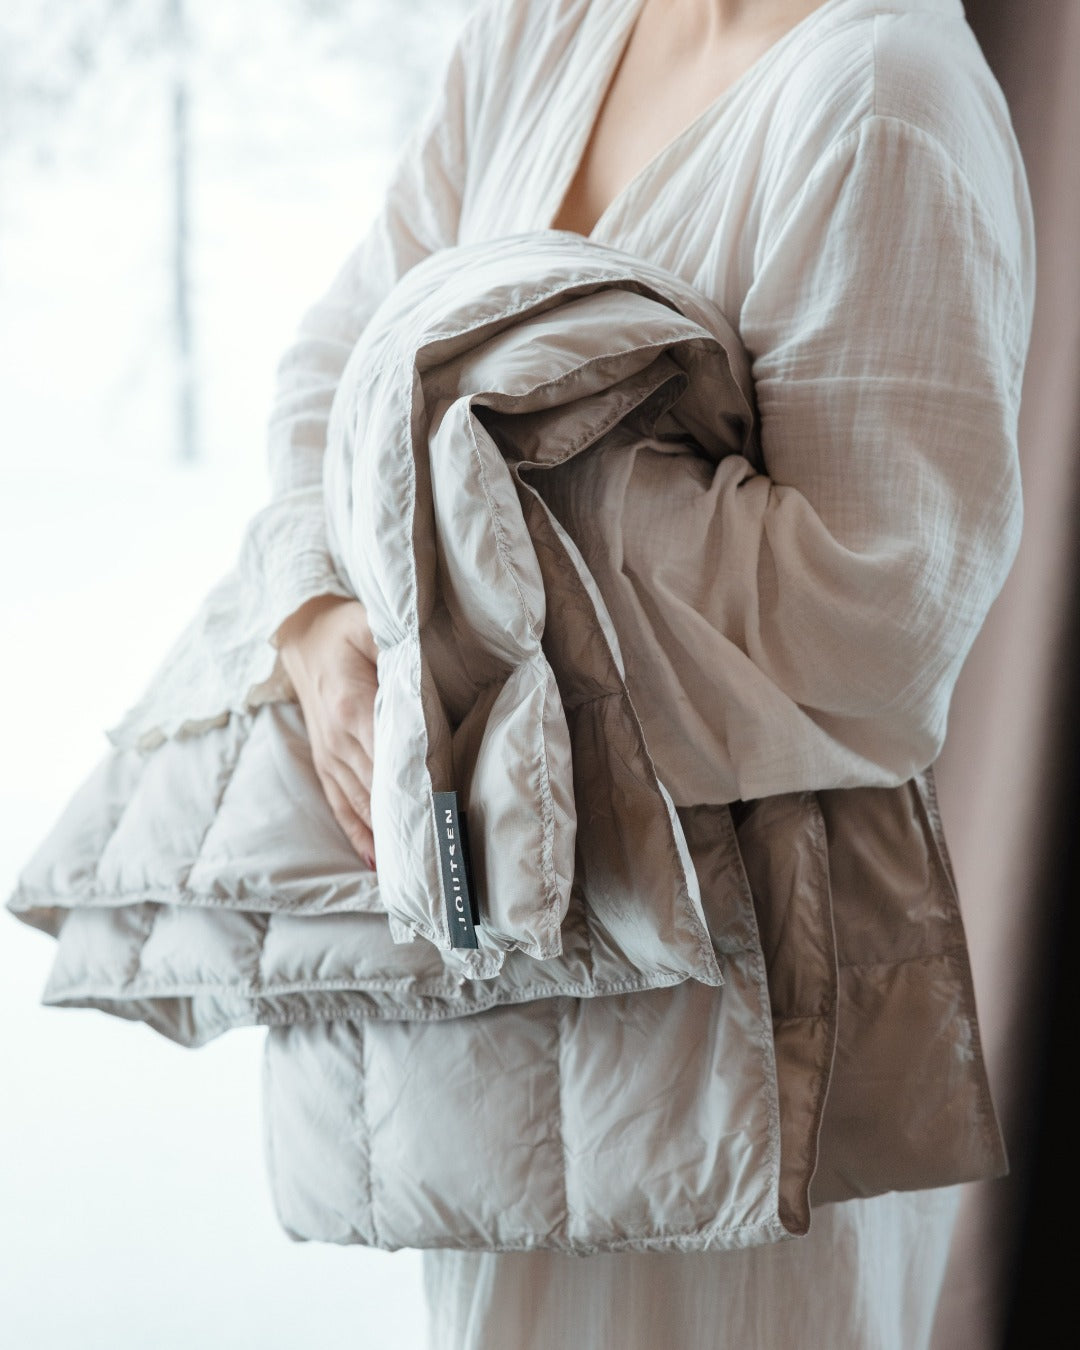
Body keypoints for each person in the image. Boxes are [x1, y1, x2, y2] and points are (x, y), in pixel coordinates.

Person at [257, 0, 1035, 1345]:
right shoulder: (548, 25)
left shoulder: (886, 91)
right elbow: (339, 368)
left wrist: (473, 503)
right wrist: (321, 619)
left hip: (739, 1060)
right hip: (509, 1029)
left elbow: (874, 624)